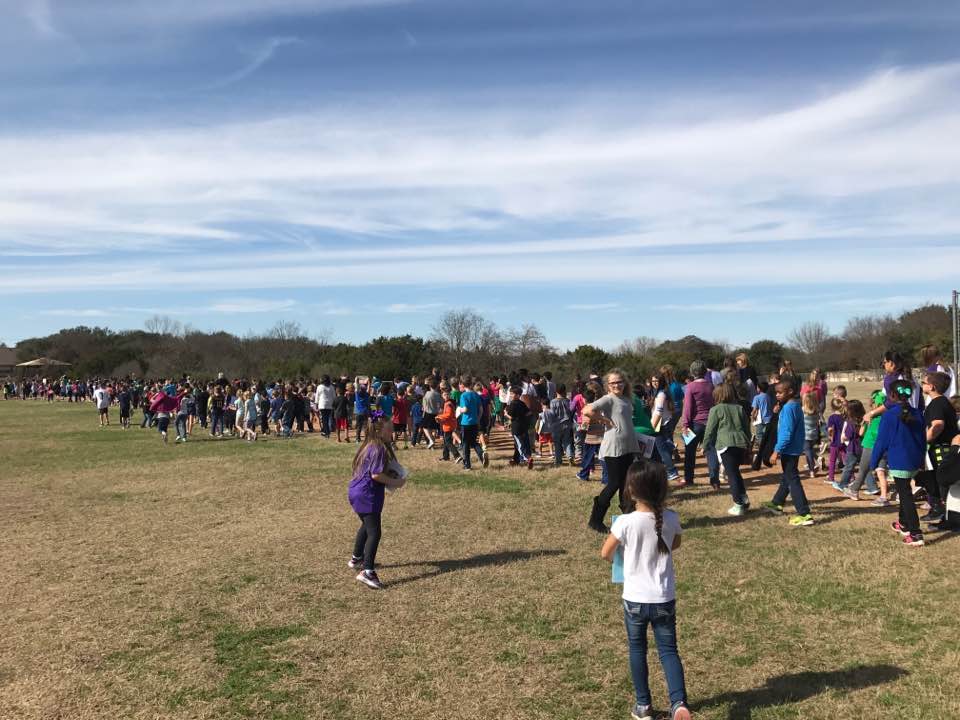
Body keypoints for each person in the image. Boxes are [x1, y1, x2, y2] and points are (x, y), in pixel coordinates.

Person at [600, 461, 691, 720]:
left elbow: (605, 553)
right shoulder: (671, 518)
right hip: (664, 597)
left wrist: (627, 557)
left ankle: (643, 705)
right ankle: (679, 703)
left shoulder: (626, 523)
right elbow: (676, 544)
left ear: (630, 489)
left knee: (637, 650)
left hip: (635, 600)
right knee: (669, 650)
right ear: (663, 489)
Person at [347, 412, 406, 589]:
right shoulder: (379, 448)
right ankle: (367, 571)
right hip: (367, 494)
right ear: (380, 431)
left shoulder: (369, 445)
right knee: (375, 532)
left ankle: (357, 558)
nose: (392, 433)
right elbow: (376, 475)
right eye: (390, 430)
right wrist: (396, 482)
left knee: (367, 525)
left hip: (356, 492)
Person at [871, 380, 926, 547]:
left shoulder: (889, 415)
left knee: (905, 495)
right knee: (905, 491)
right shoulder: (917, 413)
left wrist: (873, 462)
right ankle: (904, 523)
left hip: (900, 460)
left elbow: (881, 442)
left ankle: (915, 533)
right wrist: (922, 459)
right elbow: (923, 439)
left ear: (892, 395)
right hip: (915, 459)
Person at [585, 369, 642, 533]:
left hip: (628, 447)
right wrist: (604, 420)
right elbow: (587, 410)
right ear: (608, 386)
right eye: (613, 383)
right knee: (615, 483)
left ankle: (629, 518)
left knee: (626, 484)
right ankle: (595, 520)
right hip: (614, 448)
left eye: (619, 381)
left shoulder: (626, 399)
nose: (617, 385)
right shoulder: (608, 399)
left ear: (625, 383)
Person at [762, 381, 814, 526]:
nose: (777, 395)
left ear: (790, 391)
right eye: (776, 393)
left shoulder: (789, 409)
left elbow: (787, 433)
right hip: (795, 449)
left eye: (780, 392)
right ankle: (777, 503)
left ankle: (804, 513)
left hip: (789, 450)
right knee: (787, 476)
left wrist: (776, 451)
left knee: (793, 480)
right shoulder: (795, 405)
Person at [703, 382, 752, 515]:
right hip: (741, 443)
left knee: (732, 475)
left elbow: (710, 430)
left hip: (726, 444)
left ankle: (738, 503)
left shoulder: (716, 410)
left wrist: (705, 445)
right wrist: (748, 444)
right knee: (735, 472)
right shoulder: (739, 408)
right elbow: (747, 428)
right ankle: (744, 499)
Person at [916, 371, 958, 523]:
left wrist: (924, 440)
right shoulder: (943, 402)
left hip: (940, 448)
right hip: (942, 447)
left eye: (924, 383)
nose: (922, 385)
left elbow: (938, 425)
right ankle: (936, 509)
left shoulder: (937, 403)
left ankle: (942, 511)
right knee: (931, 479)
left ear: (931, 386)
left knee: (938, 480)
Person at [678, 361, 718, 488]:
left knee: (690, 452)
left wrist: (684, 424)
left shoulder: (690, 387)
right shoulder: (711, 386)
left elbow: (688, 407)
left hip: (694, 424)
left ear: (692, 372)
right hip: (710, 423)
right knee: (711, 451)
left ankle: (689, 479)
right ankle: (714, 480)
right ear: (705, 372)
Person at [844, 390, 885, 502]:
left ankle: (854, 490)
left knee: (863, 469)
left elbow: (861, 433)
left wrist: (863, 424)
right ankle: (884, 495)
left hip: (870, 444)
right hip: (884, 446)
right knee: (881, 471)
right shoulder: (887, 416)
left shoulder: (871, 416)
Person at [650, 373, 679, 482]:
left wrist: (652, 427)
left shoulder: (661, 394)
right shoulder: (661, 392)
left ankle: (672, 472)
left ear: (661, 381)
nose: (654, 383)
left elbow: (659, 412)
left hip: (660, 425)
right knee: (663, 448)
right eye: (653, 381)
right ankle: (671, 446)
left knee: (662, 451)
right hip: (665, 423)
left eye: (657, 381)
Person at [834, 400, 865, 495]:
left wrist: (843, 437)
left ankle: (842, 485)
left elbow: (848, 434)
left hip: (853, 448)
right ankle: (872, 486)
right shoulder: (864, 420)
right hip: (862, 447)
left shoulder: (850, 421)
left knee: (848, 466)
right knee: (864, 467)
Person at [457, 381, 487, 470]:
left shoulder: (463, 395)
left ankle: (467, 465)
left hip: (466, 423)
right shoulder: (476, 395)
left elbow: (465, 409)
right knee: (474, 442)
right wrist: (477, 419)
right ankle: (482, 456)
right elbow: (481, 409)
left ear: (463, 385)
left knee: (465, 444)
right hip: (474, 422)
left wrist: (459, 409)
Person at [550, 384, 576, 467]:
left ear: (556, 391)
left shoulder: (553, 402)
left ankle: (558, 461)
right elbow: (571, 411)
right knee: (567, 442)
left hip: (556, 425)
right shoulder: (568, 401)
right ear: (564, 391)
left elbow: (552, 414)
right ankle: (570, 456)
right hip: (567, 424)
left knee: (557, 443)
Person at [825, 398, 847, 485]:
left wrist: (830, 436)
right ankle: (851, 477)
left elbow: (830, 429)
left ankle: (831, 477)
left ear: (832, 407)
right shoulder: (844, 416)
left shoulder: (832, 417)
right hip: (844, 441)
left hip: (835, 442)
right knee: (846, 460)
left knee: (832, 461)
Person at [437, 389, 461, 463]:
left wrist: (439, 417)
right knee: (445, 441)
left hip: (449, 425)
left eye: (447, 394)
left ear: (450, 395)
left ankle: (457, 455)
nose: (446, 396)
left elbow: (449, 414)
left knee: (448, 442)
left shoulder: (448, 404)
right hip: (449, 424)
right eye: (445, 395)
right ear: (442, 396)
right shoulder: (447, 403)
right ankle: (446, 456)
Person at [801, 391, 821, 478]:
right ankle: (817, 459)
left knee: (807, 452)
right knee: (809, 450)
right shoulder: (817, 410)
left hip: (805, 435)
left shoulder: (803, 410)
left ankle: (812, 470)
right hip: (814, 434)